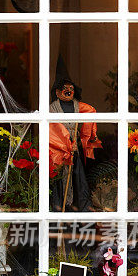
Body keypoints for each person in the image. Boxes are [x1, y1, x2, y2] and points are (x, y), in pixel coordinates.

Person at [49, 58, 102, 212]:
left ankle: (81, 211)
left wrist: (81, 140)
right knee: (59, 184)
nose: (68, 91)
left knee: (79, 181)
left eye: (71, 88)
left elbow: (91, 112)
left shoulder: (80, 107)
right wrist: (66, 145)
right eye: (64, 88)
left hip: (75, 151)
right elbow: (53, 130)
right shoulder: (52, 109)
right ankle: (58, 211)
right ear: (57, 92)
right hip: (59, 154)